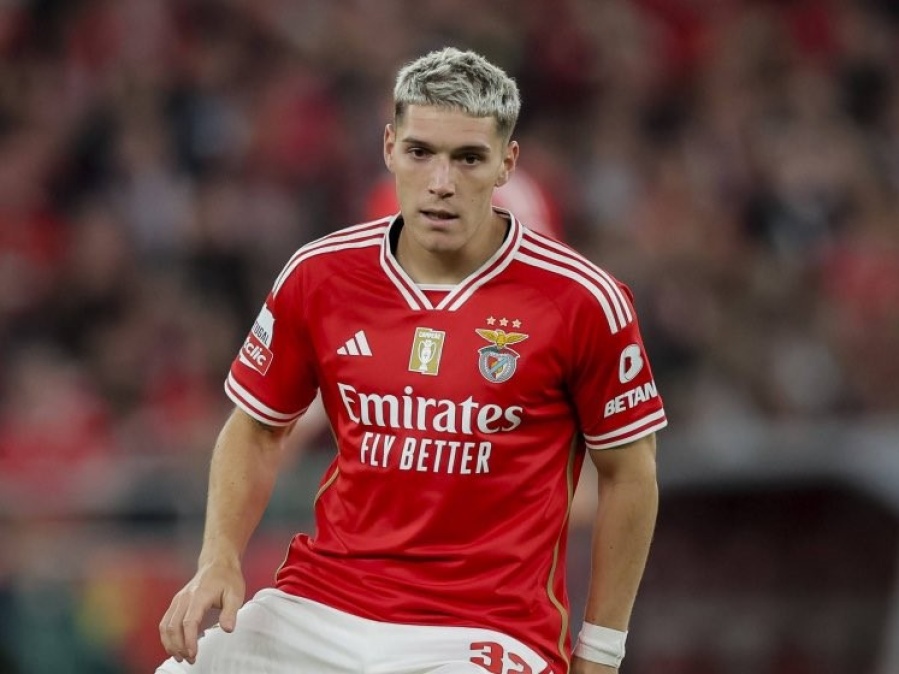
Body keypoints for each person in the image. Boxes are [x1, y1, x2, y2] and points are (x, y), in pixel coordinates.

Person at [157, 47, 665, 674]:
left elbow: (629, 473)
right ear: (390, 148)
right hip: (319, 609)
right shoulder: (319, 275)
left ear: (506, 164)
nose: (441, 182)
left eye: (469, 158)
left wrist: (601, 652)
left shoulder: (584, 300)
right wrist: (218, 557)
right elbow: (258, 429)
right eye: (421, 152)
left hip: (484, 629)